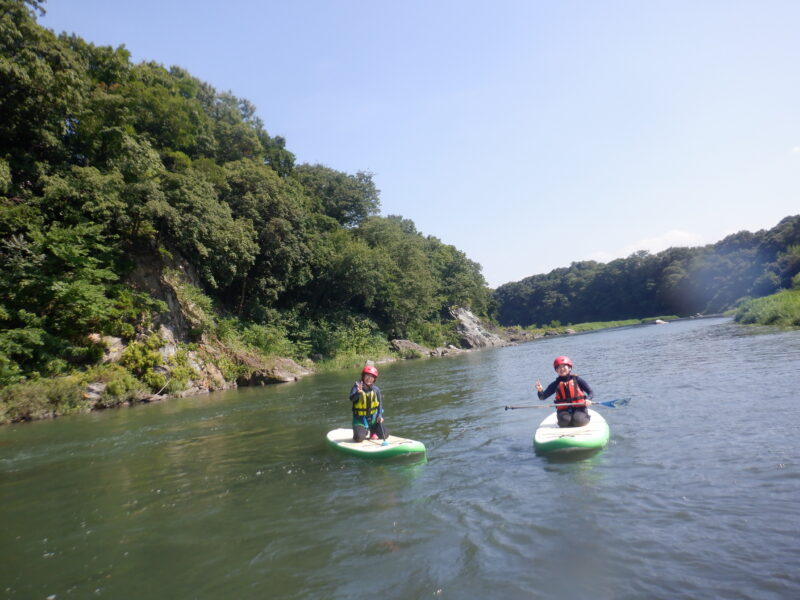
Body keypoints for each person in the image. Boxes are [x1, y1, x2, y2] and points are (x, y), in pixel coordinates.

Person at [535, 355, 594, 428]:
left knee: (578, 421)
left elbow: (590, 392)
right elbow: (542, 397)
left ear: (569, 368)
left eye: (564, 366)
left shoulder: (577, 379)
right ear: (556, 370)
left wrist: (588, 399)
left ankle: (586, 417)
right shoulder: (556, 383)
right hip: (564, 411)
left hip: (579, 408)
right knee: (564, 421)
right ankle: (567, 420)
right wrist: (540, 390)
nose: (561, 369)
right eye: (559, 367)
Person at [349, 363, 388, 442]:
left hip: (373, 418)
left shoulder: (376, 389)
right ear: (363, 376)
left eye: (372, 377)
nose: (369, 379)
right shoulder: (356, 387)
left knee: (385, 435)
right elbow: (352, 399)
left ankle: (372, 431)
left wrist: (379, 415)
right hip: (359, 419)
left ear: (374, 379)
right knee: (359, 438)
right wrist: (358, 393)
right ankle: (361, 431)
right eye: (367, 376)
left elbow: (379, 404)